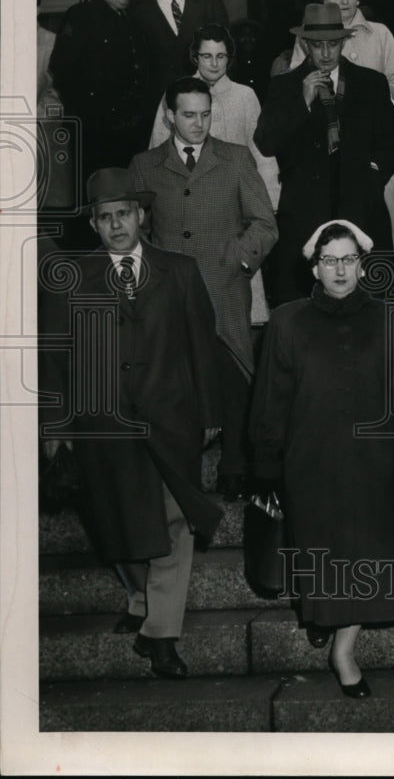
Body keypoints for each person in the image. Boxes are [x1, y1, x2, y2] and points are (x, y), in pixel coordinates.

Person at [39, 167, 224, 679]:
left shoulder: (179, 271)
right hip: (104, 425)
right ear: (95, 226)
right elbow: (54, 357)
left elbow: (201, 346)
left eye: (124, 214)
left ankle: (161, 634)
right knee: (116, 522)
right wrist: (57, 426)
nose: (117, 225)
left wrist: (209, 413)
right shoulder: (71, 278)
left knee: (175, 522)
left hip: (170, 418)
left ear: (141, 216)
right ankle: (140, 598)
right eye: (105, 217)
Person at [249, 220, 394, 697]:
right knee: (324, 551)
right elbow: (272, 401)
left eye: (349, 259)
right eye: (330, 260)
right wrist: (267, 466)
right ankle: (328, 619)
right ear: (315, 266)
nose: (340, 270)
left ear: (363, 265)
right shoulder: (287, 322)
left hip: (377, 462)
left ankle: (343, 649)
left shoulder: (392, 319)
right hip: (312, 461)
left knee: (370, 551)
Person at [129, 77, 278, 500]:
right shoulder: (145, 164)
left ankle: (234, 464)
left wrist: (238, 261)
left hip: (225, 286)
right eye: (189, 115)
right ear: (170, 116)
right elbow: (138, 234)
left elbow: (266, 224)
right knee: (180, 381)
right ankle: (182, 469)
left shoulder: (234, 158)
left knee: (232, 375)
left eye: (205, 114)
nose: (198, 123)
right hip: (171, 295)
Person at [257, 3, 394, 304]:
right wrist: (302, 102)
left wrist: (372, 174)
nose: (325, 53)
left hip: (362, 209)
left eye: (332, 44)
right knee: (304, 307)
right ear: (305, 44)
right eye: (317, 45)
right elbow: (266, 143)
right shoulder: (284, 86)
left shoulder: (371, 83)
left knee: (369, 304)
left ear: (344, 42)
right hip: (304, 213)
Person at [147, 23, 280, 323]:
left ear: (230, 58)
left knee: (237, 307)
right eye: (206, 56)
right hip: (185, 204)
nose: (214, 63)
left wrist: (269, 201)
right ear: (195, 57)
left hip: (234, 209)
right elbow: (156, 149)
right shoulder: (175, 93)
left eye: (220, 56)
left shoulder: (245, 96)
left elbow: (262, 152)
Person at [287, 0, 394, 261]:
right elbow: (297, 80)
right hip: (327, 139)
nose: (344, 0)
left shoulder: (379, 33)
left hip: (374, 139)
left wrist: (377, 103)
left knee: (382, 221)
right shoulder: (308, 33)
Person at [49, 0, 155, 188]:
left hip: (131, 130)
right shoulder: (82, 15)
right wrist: (92, 117)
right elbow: (62, 69)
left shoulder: (131, 21)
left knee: (128, 191)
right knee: (98, 193)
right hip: (96, 133)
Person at [133, 0, 229, 102]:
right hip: (165, 101)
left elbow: (228, 52)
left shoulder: (209, 1)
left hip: (208, 94)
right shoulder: (141, 13)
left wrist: (221, 91)